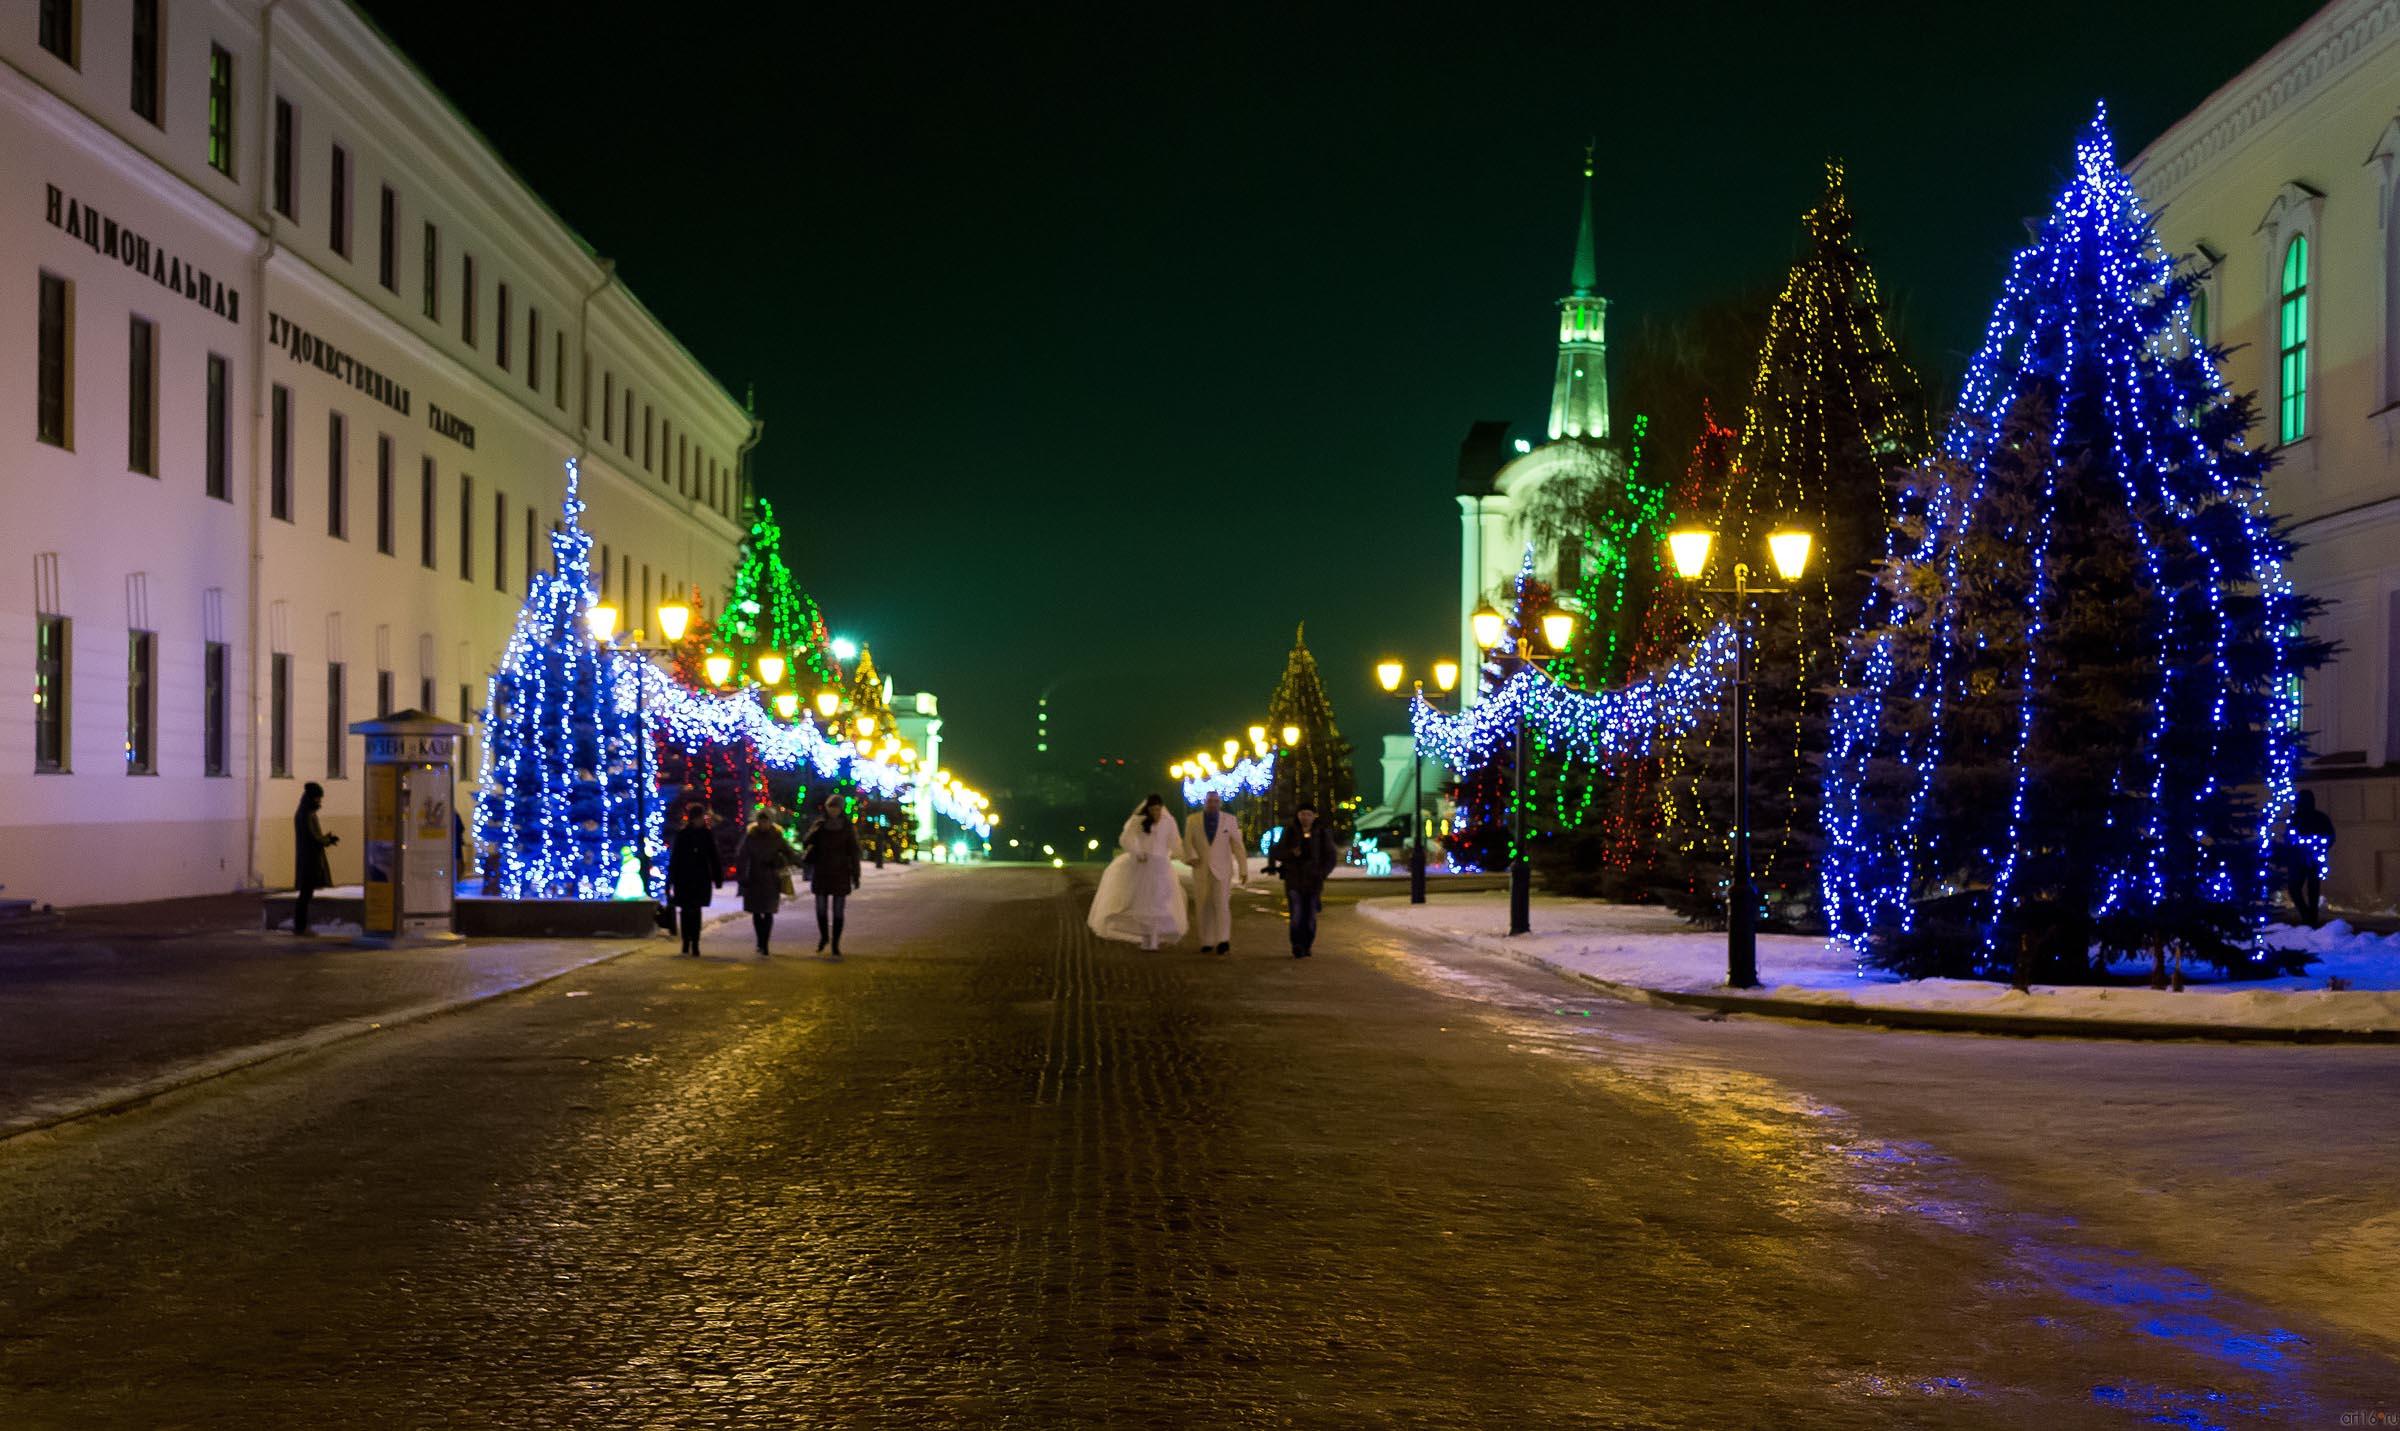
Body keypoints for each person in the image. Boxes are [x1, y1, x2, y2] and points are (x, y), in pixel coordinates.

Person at [1087, 794, 1188, 950]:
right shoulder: (1138, 822)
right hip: (1143, 866)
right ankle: (1147, 936)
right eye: (1153, 810)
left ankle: (1153, 937)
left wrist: (1184, 856)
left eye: (1159, 809)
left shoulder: (1169, 822)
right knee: (1143, 903)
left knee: (1159, 902)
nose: (1157, 813)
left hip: (1161, 867)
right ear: (1148, 810)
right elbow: (1125, 839)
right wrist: (1137, 852)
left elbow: (1175, 842)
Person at [1181, 791, 1249, 954]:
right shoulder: (1193, 820)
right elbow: (1187, 842)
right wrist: (1191, 857)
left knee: (1222, 904)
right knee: (1203, 905)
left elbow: (1238, 846)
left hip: (1223, 869)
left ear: (1220, 803)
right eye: (1210, 801)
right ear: (1205, 802)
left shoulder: (1229, 820)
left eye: (1216, 801)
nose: (1213, 804)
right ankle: (1206, 940)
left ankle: (1223, 939)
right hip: (1201, 869)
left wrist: (1243, 869)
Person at [1269, 802, 1338, 957]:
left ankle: (1307, 944)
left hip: (1314, 881)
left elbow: (1331, 856)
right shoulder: (1290, 831)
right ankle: (1297, 945)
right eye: (1302, 814)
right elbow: (1278, 852)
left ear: (1314, 816)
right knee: (1297, 914)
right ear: (1298, 815)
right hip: (1294, 880)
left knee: (1310, 916)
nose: (1305, 817)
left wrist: (1322, 873)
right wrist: (1291, 853)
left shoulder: (1321, 832)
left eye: (1308, 814)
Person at [800, 795, 864, 957]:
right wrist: (816, 830)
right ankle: (824, 937)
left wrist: (856, 875)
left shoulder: (847, 827)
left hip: (841, 873)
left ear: (841, 808)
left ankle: (835, 943)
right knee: (820, 909)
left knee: (838, 912)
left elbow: (854, 853)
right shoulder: (819, 824)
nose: (833, 810)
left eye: (835, 807)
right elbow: (806, 842)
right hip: (821, 872)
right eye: (830, 806)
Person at [735, 809, 798, 957]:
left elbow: (789, 852)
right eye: (761, 821)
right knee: (757, 912)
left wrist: (797, 862)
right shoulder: (750, 836)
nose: (763, 824)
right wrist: (742, 875)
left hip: (770, 879)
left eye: (766, 821)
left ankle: (765, 943)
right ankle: (760, 941)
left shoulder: (777, 836)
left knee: (768, 912)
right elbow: (742, 855)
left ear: (770, 822)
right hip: (754, 879)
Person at [665, 803, 722, 957]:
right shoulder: (683, 835)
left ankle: (694, 942)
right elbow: (675, 859)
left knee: (695, 911)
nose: (702, 820)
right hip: (684, 878)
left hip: (699, 878)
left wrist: (717, 878)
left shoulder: (706, 834)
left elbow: (713, 856)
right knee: (685, 911)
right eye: (700, 817)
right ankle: (686, 941)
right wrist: (669, 881)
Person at [292, 782, 338, 936]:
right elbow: (313, 838)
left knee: (306, 893)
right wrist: (327, 840)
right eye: (318, 798)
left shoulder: (305, 812)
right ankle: (300, 927)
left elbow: (314, 837)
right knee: (305, 894)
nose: (320, 801)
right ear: (312, 798)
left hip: (308, 858)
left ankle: (300, 926)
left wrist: (325, 839)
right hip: (309, 860)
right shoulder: (306, 814)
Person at [2288, 789, 2336, 927]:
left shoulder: (2314, 818)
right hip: (2302, 859)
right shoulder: (2298, 818)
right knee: (2303, 889)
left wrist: (2317, 845)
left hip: (2309, 858)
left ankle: (2309, 917)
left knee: (2309, 889)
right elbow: (2330, 836)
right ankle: (2308, 916)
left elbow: (2330, 837)